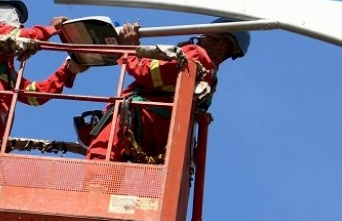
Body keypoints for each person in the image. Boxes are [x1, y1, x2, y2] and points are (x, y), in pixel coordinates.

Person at [85, 18, 250, 164]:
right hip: (159, 137)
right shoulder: (209, 76)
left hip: (138, 120)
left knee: (101, 163)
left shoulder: (196, 55)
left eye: (206, 36)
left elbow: (150, 72)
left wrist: (130, 49)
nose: (200, 39)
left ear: (222, 43)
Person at [0, 0, 87, 152]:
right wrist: (51, 29)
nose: (20, 22)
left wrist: (67, 70)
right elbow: (18, 36)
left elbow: (35, 95)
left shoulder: (5, 71)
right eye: (15, 14)